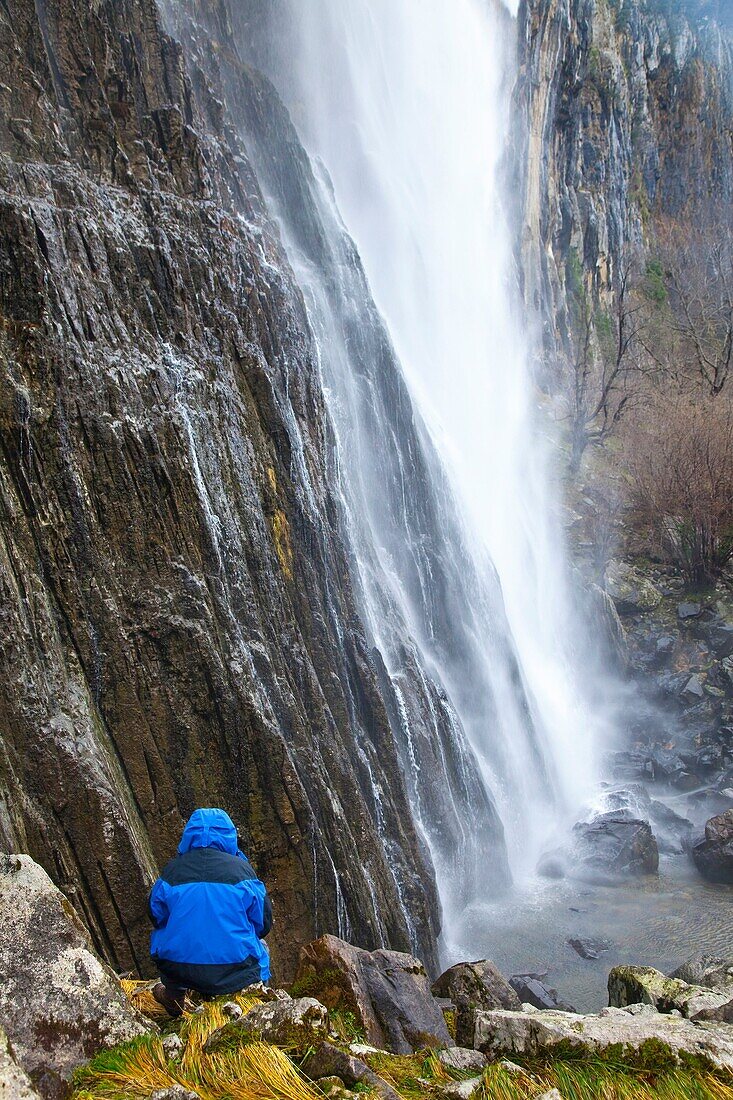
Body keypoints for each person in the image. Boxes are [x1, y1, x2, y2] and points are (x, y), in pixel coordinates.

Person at [148, 807, 272, 1016]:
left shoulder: (171, 871)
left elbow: (156, 915)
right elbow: (263, 923)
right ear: (230, 836)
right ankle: (256, 1005)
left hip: (179, 968)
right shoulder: (243, 872)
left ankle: (174, 998)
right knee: (262, 947)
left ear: (189, 835)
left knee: (167, 935)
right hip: (235, 968)